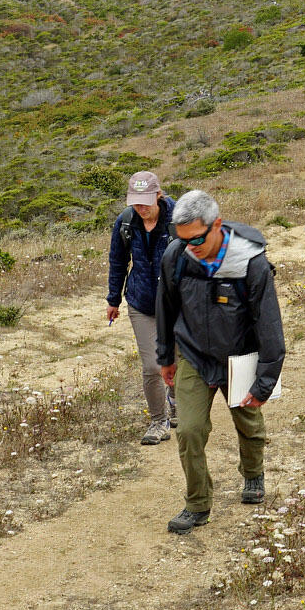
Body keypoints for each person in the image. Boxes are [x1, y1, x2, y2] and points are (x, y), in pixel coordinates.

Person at [156, 189, 286, 535]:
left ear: (217, 225)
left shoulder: (252, 263)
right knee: (189, 430)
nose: (190, 245)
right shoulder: (177, 255)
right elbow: (166, 307)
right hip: (193, 354)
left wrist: (264, 382)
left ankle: (253, 474)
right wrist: (166, 356)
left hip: (240, 356)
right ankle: (198, 504)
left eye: (197, 237)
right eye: (182, 238)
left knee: (249, 423)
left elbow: (269, 325)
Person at [107, 170, 178, 445]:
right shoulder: (125, 222)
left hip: (177, 303)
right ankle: (158, 421)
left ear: (159, 195)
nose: (141, 208)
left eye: (146, 201)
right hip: (142, 302)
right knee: (152, 365)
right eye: (136, 201)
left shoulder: (179, 218)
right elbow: (118, 260)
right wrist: (113, 299)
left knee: (178, 360)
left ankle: (175, 399)